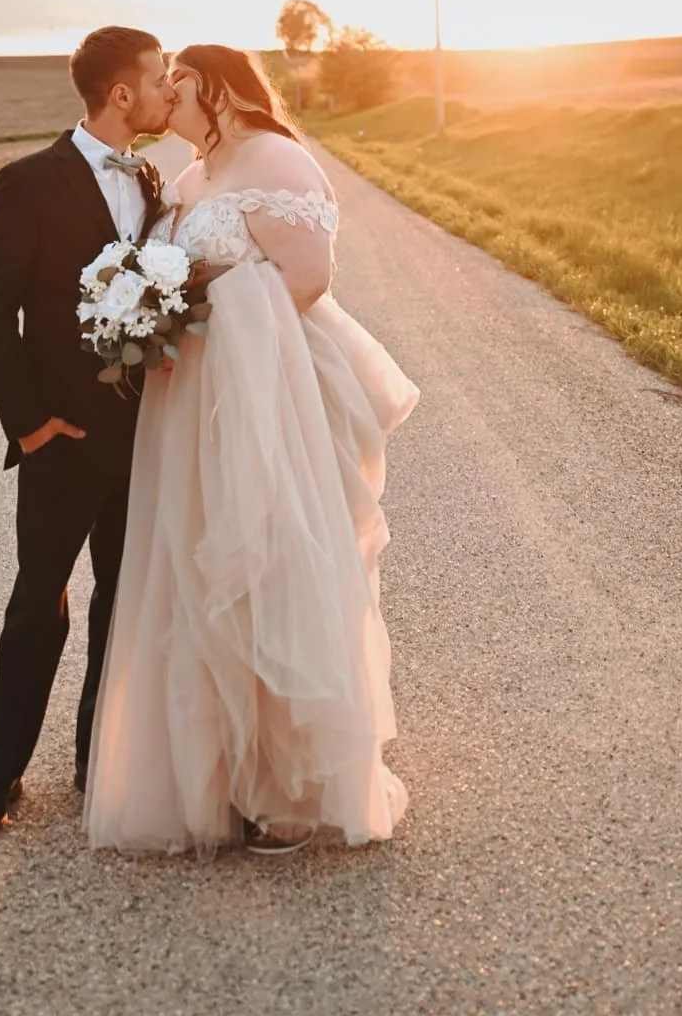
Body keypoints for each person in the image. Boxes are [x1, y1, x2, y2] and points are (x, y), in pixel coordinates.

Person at [84, 45, 419, 855]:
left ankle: (291, 786)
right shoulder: (191, 176)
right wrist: (150, 312)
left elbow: (307, 277)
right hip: (191, 401)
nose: (167, 92)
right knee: (198, 566)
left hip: (270, 395)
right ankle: (220, 770)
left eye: (179, 80)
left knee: (272, 559)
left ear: (216, 87)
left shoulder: (277, 158)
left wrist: (190, 304)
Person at [0, 25, 175, 839]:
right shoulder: (29, 180)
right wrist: (28, 424)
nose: (166, 91)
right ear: (121, 94)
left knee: (120, 601)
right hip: (61, 436)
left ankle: (96, 759)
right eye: (158, 79)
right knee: (38, 603)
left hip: (142, 437)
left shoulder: (154, 180)